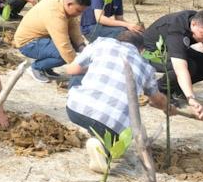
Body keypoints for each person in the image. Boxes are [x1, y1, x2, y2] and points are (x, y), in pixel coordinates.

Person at [65, 31, 173, 173]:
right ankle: (102, 148)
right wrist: (168, 107)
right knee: (120, 145)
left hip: (76, 109)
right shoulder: (147, 67)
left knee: (77, 75)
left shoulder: (102, 43)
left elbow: (71, 69)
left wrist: (93, 68)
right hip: (114, 125)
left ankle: (97, 140)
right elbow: (157, 99)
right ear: (141, 50)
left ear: (118, 40)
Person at [143, 9, 203, 118]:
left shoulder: (201, 21)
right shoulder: (177, 31)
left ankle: (178, 89)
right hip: (154, 53)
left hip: (176, 49)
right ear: (194, 24)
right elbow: (181, 69)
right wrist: (191, 99)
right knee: (189, 66)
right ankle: (160, 89)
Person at [13, 0, 90, 83]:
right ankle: (35, 67)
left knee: (73, 47)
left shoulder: (62, 0)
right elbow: (64, 46)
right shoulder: (55, 15)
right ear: (69, 4)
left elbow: (73, 26)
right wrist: (78, 67)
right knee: (63, 54)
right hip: (28, 43)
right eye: (78, 11)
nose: (80, 14)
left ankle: (46, 67)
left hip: (42, 37)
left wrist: (81, 45)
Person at [79, 0, 143, 41]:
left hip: (104, 27)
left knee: (132, 32)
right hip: (91, 28)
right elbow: (100, 19)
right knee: (123, 33)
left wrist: (133, 26)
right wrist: (127, 25)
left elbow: (120, 19)